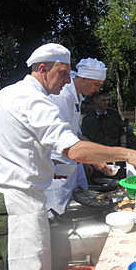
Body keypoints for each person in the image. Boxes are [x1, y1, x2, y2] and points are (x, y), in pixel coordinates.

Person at [0, 43, 136, 270]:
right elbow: (74, 149)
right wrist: (127, 154)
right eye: (64, 73)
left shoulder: (7, 93)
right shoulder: (35, 100)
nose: (68, 81)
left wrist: (51, 167)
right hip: (18, 204)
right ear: (43, 69)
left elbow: (18, 147)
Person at [45, 57, 107, 215]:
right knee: (58, 210)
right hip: (58, 164)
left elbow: (75, 133)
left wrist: (91, 156)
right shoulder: (62, 96)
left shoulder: (77, 97)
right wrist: (93, 159)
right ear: (84, 78)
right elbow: (61, 138)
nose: (97, 90)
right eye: (96, 84)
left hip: (72, 162)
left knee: (81, 202)